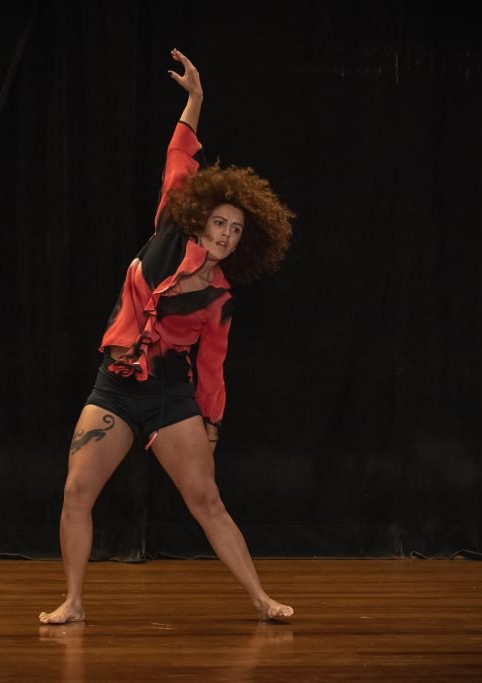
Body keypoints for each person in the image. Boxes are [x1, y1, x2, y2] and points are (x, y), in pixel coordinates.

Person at [39, 49, 294, 624]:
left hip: (169, 396)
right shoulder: (170, 229)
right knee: (77, 492)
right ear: (203, 218)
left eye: (237, 229)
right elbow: (180, 154)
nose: (227, 233)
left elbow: (212, 369)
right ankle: (74, 603)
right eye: (221, 222)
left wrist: (209, 425)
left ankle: (261, 599)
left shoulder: (220, 298)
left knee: (206, 500)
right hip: (115, 385)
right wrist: (196, 101)